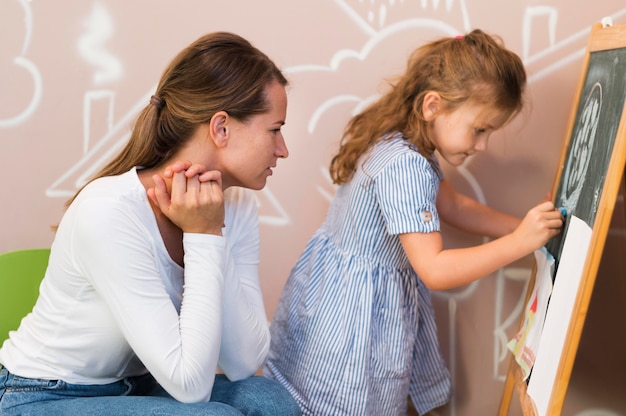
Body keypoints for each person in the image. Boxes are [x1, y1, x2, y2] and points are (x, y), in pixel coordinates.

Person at [263, 29, 564, 415]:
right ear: (432, 106)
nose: (483, 145)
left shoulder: (404, 143)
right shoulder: (406, 165)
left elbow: (453, 206)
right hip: (356, 320)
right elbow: (435, 269)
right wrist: (519, 242)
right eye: (480, 129)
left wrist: (522, 227)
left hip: (338, 297)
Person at [0, 32, 301, 416]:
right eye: (275, 129)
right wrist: (204, 235)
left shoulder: (237, 205)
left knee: (271, 401)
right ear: (221, 128)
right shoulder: (109, 211)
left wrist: (210, 231)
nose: (283, 149)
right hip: (42, 394)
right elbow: (191, 388)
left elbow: (243, 362)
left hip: (137, 386)